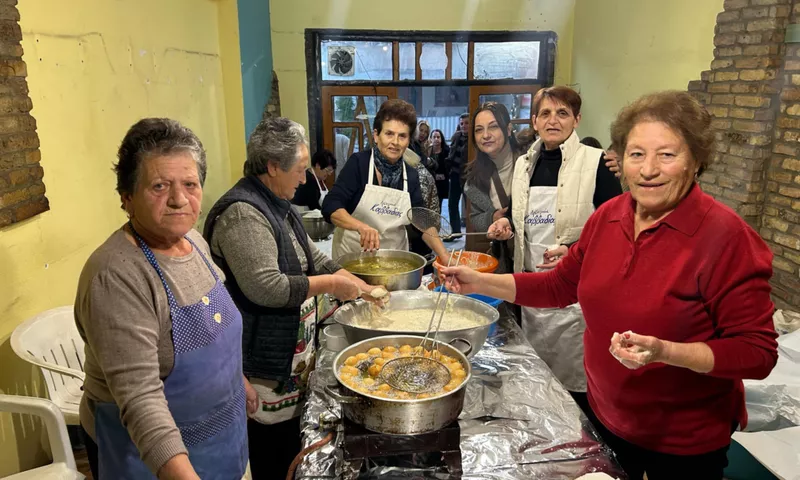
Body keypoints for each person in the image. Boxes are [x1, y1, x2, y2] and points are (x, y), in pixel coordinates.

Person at [446, 91, 779, 480]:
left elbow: (757, 354)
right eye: (637, 154)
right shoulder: (609, 217)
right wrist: (478, 281)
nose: (648, 169)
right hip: (605, 416)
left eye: (667, 155)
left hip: (682, 441)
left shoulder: (725, 238)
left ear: (696, 160)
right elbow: (559, 286)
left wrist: (666, 351)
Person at [203, 116, 381, 479]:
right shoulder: (243, 213)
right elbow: (267, 287)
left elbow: (312, 257)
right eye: (299, 170)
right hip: (261, 364)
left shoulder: (278, 203)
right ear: (272, 166)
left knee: (291, 450)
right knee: (272, 454)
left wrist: (359, 286)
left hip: (287, 359)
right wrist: (332, 284)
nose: (304, 179)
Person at [75, 118, 251, 480]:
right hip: (152, 460)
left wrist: (239, 380)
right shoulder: (117, 276)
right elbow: (141, 401)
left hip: (220, 438)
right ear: (127, 197)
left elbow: (217, 332)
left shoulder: (196, 243)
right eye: (159, 186)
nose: (178, 199)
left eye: (190, 184)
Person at [490, 86, 622, 414]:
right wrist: (507, 224)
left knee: (574, 385)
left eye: (562, 113)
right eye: (545, 114)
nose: (553, 120)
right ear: (534, 121)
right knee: (538, 379)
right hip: (532, 290)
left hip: (575, 295)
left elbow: (616, 228)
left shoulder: (597, 163)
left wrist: (574, 249)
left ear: (576, 119)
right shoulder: (524, 165)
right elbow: (521, 214)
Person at [322, 99, 449, 261]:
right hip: (353, 259)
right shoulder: (359, 164)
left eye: (402, 136)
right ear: (376, 135)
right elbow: (331, 205)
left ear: (408, 140)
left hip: (393, 261)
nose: (395, 142)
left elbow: (420, 222)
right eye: (389, 134)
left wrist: (445, 256)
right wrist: (360, 227)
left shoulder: (410, 175)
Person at [463, 102, 519, 258]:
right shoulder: (475, 177)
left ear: (508, 130)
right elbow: (475, 217)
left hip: (535, 253)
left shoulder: (529, 164)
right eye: (479, 130)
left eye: (493, 127)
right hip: (505, 255)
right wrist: (492, 217)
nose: (486, 135)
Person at [446, 113, 470, 236]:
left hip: (468, 177)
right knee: (452, 204)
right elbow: (451, 153)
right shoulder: (456, 136)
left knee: (470, 205)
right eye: (461, 123)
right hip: (454, 175)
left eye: (466, 123)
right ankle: (455, 232)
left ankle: (472, 233)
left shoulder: (473, 139)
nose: (464, 126)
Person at [429, 128, 450, 208]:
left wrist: (445, 176)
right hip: (431, 181)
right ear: (430, 139)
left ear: (441, 139)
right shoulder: (428, 151)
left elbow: (449, 168)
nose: (436, 139)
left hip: (442, 182)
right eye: (434, 137)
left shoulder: (447, 151)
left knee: (438, 205)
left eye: (438, 137)